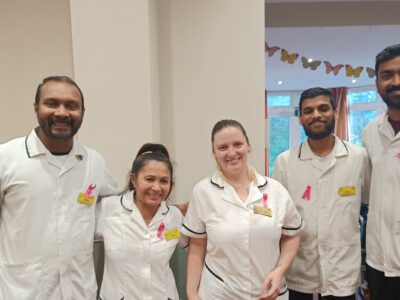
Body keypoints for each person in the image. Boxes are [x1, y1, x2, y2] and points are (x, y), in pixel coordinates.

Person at [0, 76, 119, 299]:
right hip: (21, 293)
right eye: (52, 103)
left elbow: (117, 209)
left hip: (80, 292)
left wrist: (173, 211)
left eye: (71, 105)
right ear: (36, 108)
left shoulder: (93, 162)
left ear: (83, 111)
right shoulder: (6, 158)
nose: (62, 112)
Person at [182, 119, 303, 300]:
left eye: (237, 144)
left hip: (268, 293)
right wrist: (192, 294)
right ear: (214, 153)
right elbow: (197, 247)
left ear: (248, 146)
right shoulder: (203, 192)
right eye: (223, 147)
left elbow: (292, 235)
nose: (232, 153)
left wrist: (280, 271)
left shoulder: (275, 190)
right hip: (219, 294)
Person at [273, 87, 370, 299]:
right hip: (300, 270)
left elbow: (369, 201)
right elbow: (279, 218)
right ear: (300, 119)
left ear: (336, 112)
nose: (316, 115)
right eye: (308, 111)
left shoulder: (358, 158)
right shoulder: (285, 162)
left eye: (323, 108)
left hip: (343, 270)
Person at [95, 143, 187, 300]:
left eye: (164, 181)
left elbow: (197, 249)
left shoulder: (174, 217)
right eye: (149, 179)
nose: (157, 187)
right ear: (134, 179)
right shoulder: (109, 208)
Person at [362, 44, 400, 300]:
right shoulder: (370, 132)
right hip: (379, 260)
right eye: (387, 75)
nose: (395, 81)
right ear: (377, 83)